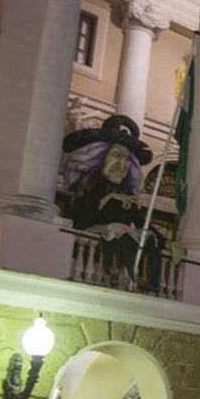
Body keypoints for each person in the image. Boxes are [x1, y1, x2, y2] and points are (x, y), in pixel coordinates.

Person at [61, 115, 164, 292]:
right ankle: (114, 272)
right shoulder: (91, 188)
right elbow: (79, 220)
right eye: (116, 156)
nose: (121, 165)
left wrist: (164, 241)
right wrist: (104, 205)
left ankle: (146, 281)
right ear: (97, 157)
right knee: (119, 233)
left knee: (148, 240)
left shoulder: (128, 197)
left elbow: (143, 223)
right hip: (89, 259)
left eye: (126, 159)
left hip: (113, 253)